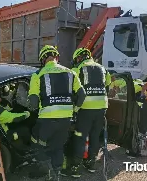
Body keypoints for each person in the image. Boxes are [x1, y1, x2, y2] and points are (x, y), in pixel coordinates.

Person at [28, 45, 86, 180]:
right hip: (66, 118)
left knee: (38, 146)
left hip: (47, 119)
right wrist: (74, 110)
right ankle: (56, 174)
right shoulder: (71, 73)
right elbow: (82, 95)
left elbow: (33, 102)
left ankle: (46, 172)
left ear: (42, 59)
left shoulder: (37, 75)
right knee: (58, 147)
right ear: (57, 57)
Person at [63, 48, 111, 178]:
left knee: (80, 136)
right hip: (102, 107)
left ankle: (75, 168)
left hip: (85, 108)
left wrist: (74, 109)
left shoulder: (77, 70)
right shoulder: (102, 68)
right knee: (95, 135)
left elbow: (72, 90)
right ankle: (91, 163)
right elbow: (108, 83)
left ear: (79, 58)